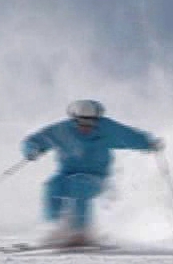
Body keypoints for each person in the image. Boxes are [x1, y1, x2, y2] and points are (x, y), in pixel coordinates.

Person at [21, 99, 163, 247]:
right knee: (52, 185)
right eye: (81, 123)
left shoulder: (107, 128)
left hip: (97, 177)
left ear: (97, 119)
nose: (86, 127)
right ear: (74, 119)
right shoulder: (62, 130)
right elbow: (34, 140)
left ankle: (81, 232)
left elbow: (131, 136)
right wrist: (32, 149)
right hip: (65, 174)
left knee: (79, 185)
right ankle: (54, 229)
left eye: (91, 123)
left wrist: (150, 143)